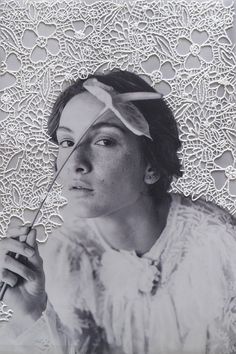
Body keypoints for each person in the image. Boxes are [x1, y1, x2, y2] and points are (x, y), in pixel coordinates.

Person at [0, 69, 235, 354]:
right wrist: (32, 313)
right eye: (66, 142)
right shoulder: (59, 260)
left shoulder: (219, 244)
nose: (75, 162)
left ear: (152, 166)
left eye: (105, 141)